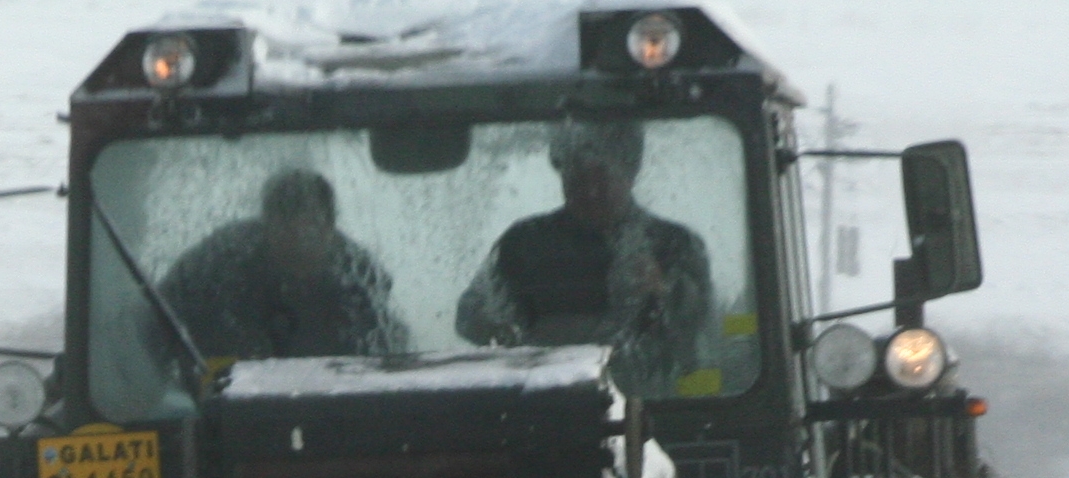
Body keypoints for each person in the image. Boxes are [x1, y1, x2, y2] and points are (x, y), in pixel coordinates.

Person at [456, 120, 713, 391]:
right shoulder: (524, 243)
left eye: (602, 178)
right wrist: (499, 330)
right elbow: (469, 314)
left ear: (630, 173)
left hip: (654, 405)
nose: (591, 192)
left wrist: (664, 289)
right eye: (577, 179)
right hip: (546, 402)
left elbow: (705, 324)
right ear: (562, 176)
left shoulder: (674, 244)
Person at [153, 168, 407, 362]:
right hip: (219, 409)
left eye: (309, 227)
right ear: (267, 224)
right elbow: (158, 320)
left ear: (330, 227)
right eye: (284, 222)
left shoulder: (359, 280)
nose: (296, 238)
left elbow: (385, 358)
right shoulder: (215, 266)